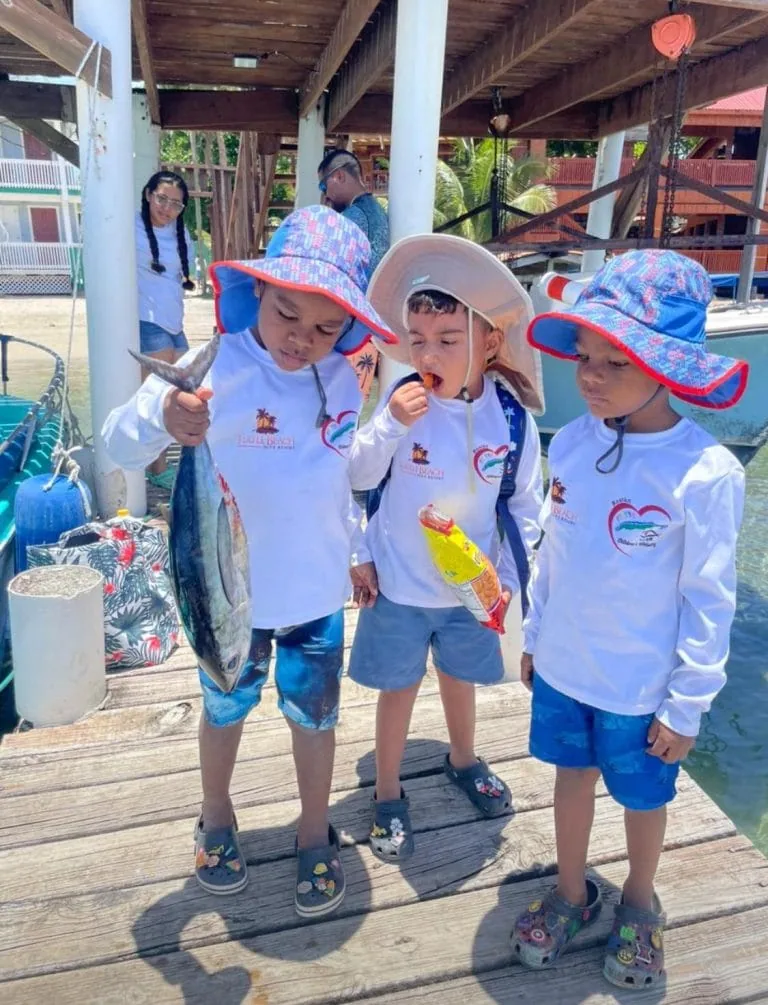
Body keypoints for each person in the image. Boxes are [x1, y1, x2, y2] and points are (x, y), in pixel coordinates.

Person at [103, 206, 397, 916]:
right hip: (229, 595)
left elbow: (337, 479)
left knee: (316, 720)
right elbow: (115, 443)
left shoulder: (341, 380)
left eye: (326, 327)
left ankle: (314, 827)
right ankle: (215, 812)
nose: (303, 338)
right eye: (287, 313)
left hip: (315, 596)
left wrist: (359, 549)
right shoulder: (213, 369)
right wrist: (165, 418)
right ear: (257, 291)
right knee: (224, 710)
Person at [510, 250, 747, 989]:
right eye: (586, 356)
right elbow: (553, 550)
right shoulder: (573, 442)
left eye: (617, 361)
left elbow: (709, 599)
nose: (591, 375)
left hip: (642, 689)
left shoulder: (706, 472)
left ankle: (640, 902)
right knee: (570, 776)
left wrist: (687, 703)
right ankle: (572, 890)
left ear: (669, 368)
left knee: (645, 797)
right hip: (565, 667)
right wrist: (534, 635)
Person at [346, 234, 545, 861]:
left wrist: (504, 576)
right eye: (418, 340)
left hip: (468, 589)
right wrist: (389, 423)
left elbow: (523, 504)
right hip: (399, 584)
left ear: (490, 342)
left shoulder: (512, 419)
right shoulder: (401, 403)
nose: (428, 354)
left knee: (460, 678)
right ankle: (386, 789)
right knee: (398, 688)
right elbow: (357, 475)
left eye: (448, 340)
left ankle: (463, 759)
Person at [136, 170, 196, 491]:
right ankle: (156, 467)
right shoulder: (129, 226)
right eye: (162, 199)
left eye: (176, 204)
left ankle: (169, 462)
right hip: (148, 321)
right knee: (156, 396)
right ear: (148, 195)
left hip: (175, 324)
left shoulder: (179, 232)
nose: (167, 208)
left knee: (182, 393)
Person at [317, 149, 390, 275]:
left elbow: (325, 261)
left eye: (323, 186)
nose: (326, 194)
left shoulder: (354, 216)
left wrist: (327, 218)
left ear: (339, 176)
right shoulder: (372, 208)